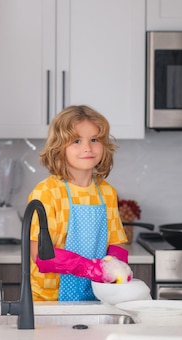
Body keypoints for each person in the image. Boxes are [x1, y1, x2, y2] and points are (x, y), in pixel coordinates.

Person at [28, 105, 130, 302]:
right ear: (59, 147)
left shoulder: (107, 192)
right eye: (76, 141)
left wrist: (116, 267)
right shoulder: (46, 193)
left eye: (94, 140)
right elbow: (41, 255)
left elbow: (116, 243)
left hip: (97, 297)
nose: (87, 148)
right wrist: (90, 268)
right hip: (49, 302)